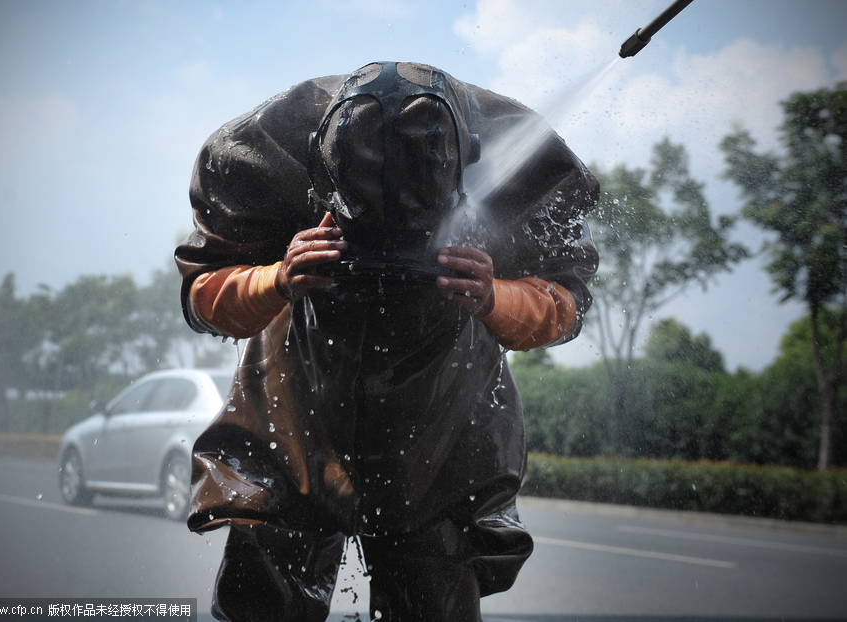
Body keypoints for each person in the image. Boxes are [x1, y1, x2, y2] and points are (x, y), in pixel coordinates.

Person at [175, 61, 599, 622]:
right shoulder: (264, 156)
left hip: (441, 455)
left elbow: (564, 305)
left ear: (462, 167)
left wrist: (494, 296)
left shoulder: (517, 166)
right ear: (320, 170)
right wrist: (277, 278)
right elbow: (204, 296)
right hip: (292, 438)